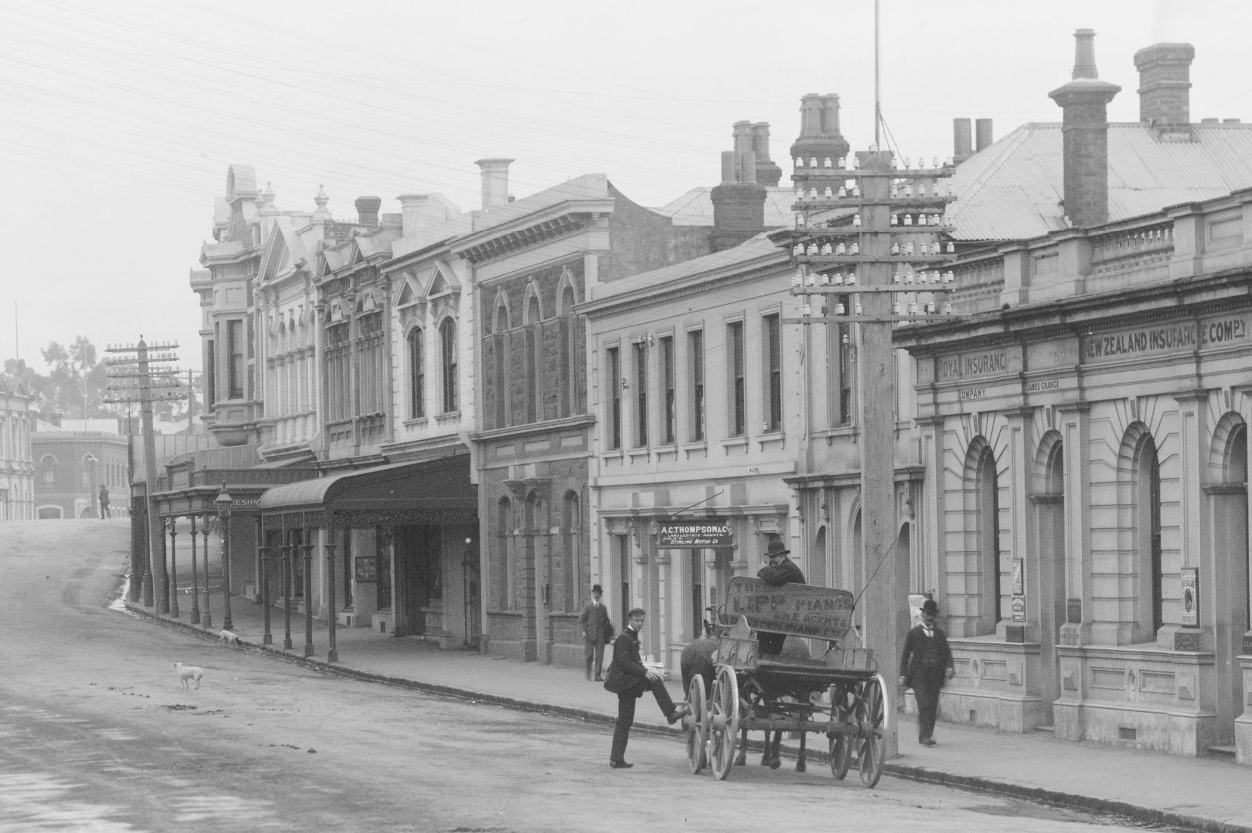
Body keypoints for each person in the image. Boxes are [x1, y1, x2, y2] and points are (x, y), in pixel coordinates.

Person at [603, 607, 688, 769]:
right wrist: (645, 671)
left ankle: (616, 758)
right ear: (630, 620)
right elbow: (623, 662)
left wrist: (647, 668)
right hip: (624, 683)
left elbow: (631, 661)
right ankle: (670, 713)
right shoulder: (624, 638)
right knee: (626, 718)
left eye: (642, 621)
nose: (640, 623)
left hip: (627, 682)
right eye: (637, 620)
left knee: (625, 720)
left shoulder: (631, 637)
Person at [754, 537, 806, 768]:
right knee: (764, 634)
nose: (772, 561)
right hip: (786, 618)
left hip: (788, 620)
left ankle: (765, 663)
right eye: (770, 559)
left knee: (765, 637)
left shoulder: (788, 569)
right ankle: (765, 658)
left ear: (781, 556)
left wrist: (762, 570)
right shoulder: (786, 568)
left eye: (773, 558)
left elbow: (772, 577)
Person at [898, 598, 955, 746]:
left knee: (932, 706)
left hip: (935, 675)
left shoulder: (939, 634)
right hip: (918, 675)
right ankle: (924, 736)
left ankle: (928, 735)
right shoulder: (914, 633)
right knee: (924, 703)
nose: (930, 618)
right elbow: (905, 655)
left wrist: (949, 667)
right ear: (923, 616)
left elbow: (947, 654)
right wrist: (903, 675)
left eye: (932, 615)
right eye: (928, 615)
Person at [577, 584, 613, 681]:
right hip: (589, 635)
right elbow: (581, 620)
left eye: (598, 593)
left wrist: (606, 630)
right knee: (589, 655)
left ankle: (597, 675)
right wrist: (583, 631)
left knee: (600, 656)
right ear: (592, 594)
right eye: (595, 593)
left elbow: (607, 620)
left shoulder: (602, 608)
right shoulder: (588, 607)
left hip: (600, 635)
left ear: (601, 595)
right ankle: (588, 673)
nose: (597, 595)